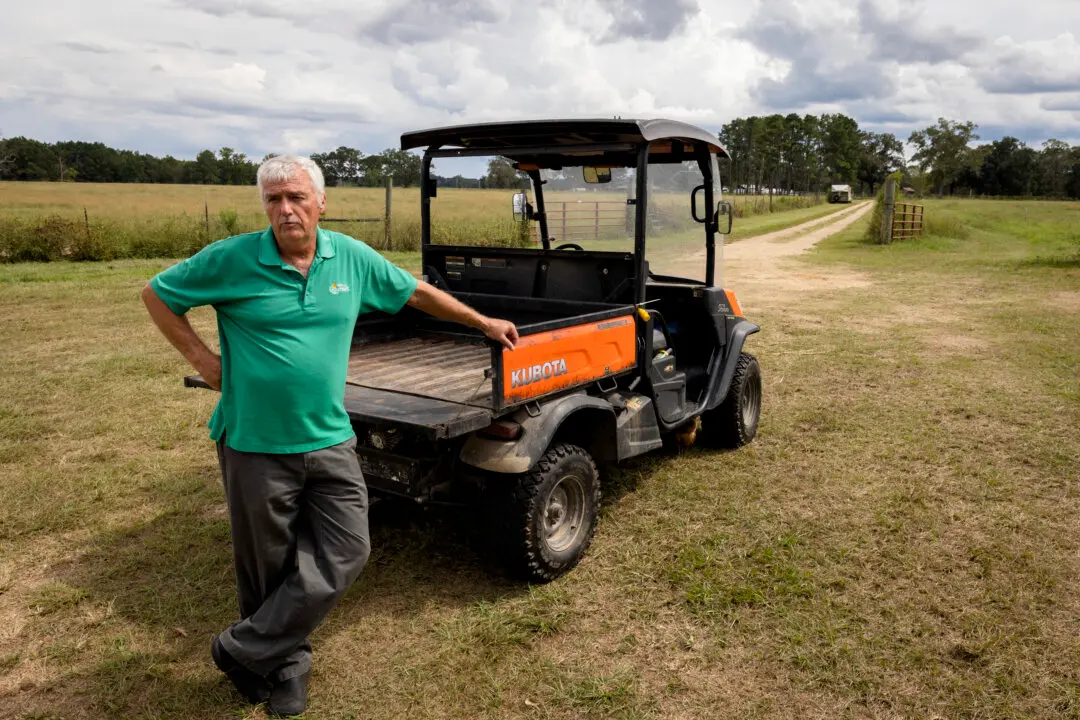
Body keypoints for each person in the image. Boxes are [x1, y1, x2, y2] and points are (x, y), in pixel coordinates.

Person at [141, 155, 517, 717]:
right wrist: (202, 357)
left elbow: (414, 292)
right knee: (266, 565)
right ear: (264, 206)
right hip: (255, 441)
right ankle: (285, 668)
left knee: (348, 548)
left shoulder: (351, 257)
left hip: (330, 436)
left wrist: (483, 323)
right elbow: (158, 294)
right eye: (274, 200)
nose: (286, 210)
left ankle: (240, 648)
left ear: (321, 203)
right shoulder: (233, 259)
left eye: (296, 197)